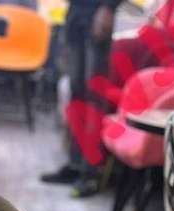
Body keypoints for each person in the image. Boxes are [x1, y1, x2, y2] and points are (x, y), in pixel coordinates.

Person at [40, 0, 121, 198]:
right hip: (75, 15)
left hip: (96, 12)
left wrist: (108, 8)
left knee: (94, 98)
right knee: (76, 95)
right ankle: (75, 165)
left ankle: (91, 173)